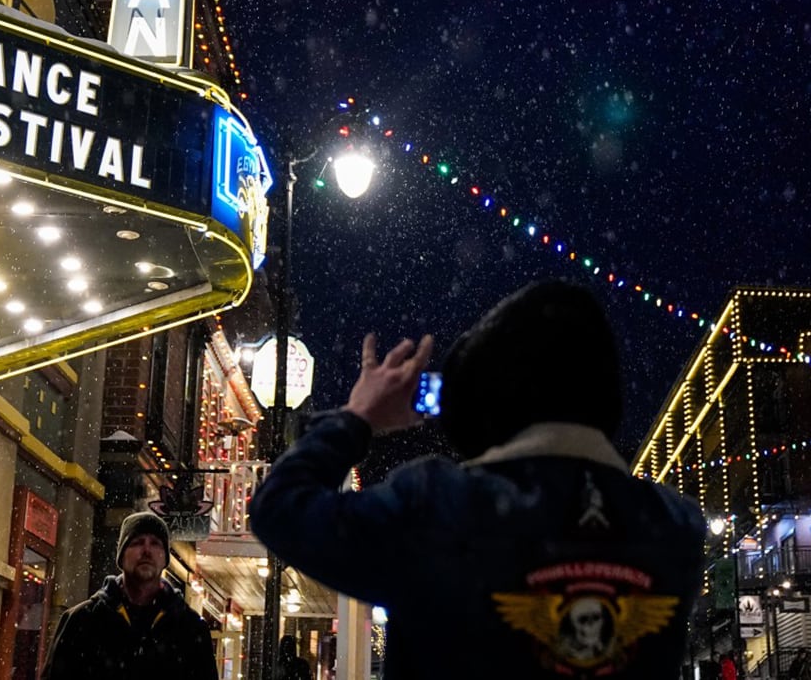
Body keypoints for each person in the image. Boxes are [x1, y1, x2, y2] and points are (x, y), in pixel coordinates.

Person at [249, 279, 706, 678]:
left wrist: (357, 418)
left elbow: (280, 508)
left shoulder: (439, 505)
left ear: (488, 403)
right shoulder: (675, 526)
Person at [40, 511, 216, 680]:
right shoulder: (82, 621)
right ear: (121, 556)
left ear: (164, 559)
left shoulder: (191, 630)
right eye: (137, 542)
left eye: (155, 543)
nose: (147, 550)